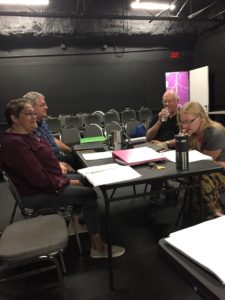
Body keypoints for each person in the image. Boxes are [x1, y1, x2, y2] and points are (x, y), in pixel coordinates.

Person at [0, 98, 125, 259]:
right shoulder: (16, 144)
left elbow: (41, 167)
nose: (33, 117)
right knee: (89, 194)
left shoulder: (26, 135)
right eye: (28, 114)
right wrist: (67, 181)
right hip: (37, 193)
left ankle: (79, 221)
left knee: (86, 178)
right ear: (14, 118)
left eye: (33, 113)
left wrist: (65, 176)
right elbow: (38, 180)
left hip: (50, 182)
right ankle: (97, 246)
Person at [179, 101, 225, 218]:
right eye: (183, 122)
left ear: (201, 117)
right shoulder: (193, 135)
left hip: (221, 172)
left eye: (189, 121)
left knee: (200, 179)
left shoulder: (216, 133)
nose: (185, 126)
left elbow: (204, 164)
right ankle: (197, 218)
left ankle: (216, 216)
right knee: (196, 179)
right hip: (210, 170)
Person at [23, 91, 79, 174]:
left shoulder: (42, 122)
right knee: (82, 178)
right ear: (31, 108)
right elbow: (37, 157)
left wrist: (71, 150)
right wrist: (56, 164)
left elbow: (52, 139)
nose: (46, 107)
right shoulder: (28, 128)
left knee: (79, 158)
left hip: (55, 158)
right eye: (42, 105)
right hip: (48, 165)